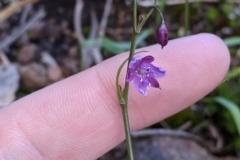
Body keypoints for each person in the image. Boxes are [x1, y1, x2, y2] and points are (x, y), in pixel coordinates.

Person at [0, 34, 230, 160]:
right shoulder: (132, 71)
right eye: (140, 71)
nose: (143, 72)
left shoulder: (140, 70)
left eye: (143, 70)